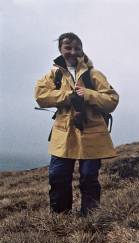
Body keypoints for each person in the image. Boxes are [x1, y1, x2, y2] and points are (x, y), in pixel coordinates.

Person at [35, 32, 119, 216]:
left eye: (77, 48)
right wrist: (68, 96)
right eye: (68, 48)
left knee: (89, 177)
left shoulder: (94, 74)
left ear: (82, 50)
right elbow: (41, 96)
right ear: (60, 49)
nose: (73, 52)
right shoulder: (54, 74)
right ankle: (60, 217)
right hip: (63, 134)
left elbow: (111, 100)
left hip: (92, 134)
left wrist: (88, 94)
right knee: (57, 176)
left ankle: (91, 217)